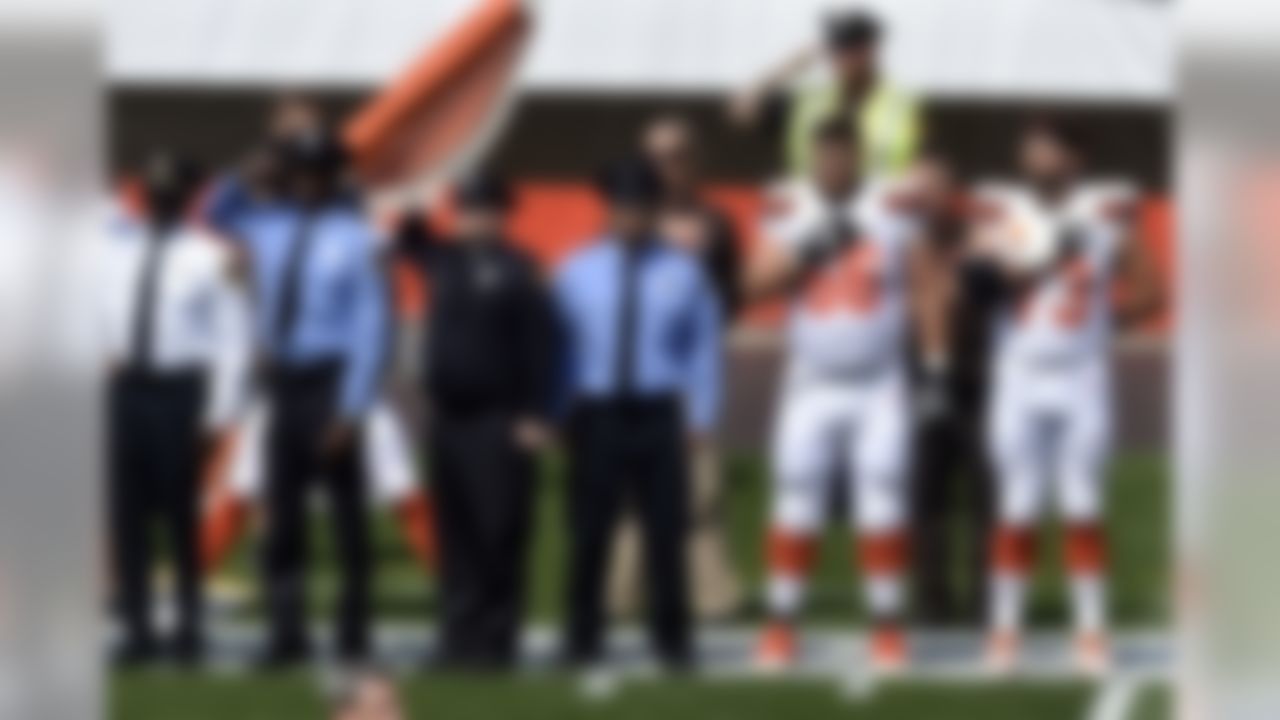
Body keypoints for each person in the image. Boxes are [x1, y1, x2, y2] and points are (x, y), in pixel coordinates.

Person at [744, 119, 938, 673]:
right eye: (824, 153)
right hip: (811, 377)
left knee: (882, 493)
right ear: (811, 157)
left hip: (881, 378)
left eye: (843, 153)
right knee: (796, 492)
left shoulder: (895, 203)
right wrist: (808, 248)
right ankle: (782, 623)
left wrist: (937, 367)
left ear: (859, 155)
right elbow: (754, 285)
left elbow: (926, 283)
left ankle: (886, 625)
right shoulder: (787, 205)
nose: (833, 163)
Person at [972, 119, 1164, 675]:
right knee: (1018, 503)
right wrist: (1032, 257)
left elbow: (1152, 288)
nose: (1034, 155)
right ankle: (1006, 631)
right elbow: (976, 288)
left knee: (1083, 502)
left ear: (1076, 157)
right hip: (1018, 370)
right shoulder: (1000, 210)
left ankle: (1092, 631)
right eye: (1029, 145)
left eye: (1048, 146)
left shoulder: (1105, 212)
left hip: (1081, 371)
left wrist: (1107, 323)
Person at [213, 129, 390, 665]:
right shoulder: (269, 225)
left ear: (334, 179)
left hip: (331, 379)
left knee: (346, 516)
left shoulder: (358, 236)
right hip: (284, 382)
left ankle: (353, 631)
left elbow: (372, 324)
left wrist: (353, 406)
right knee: (282, 515)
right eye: (299, 173)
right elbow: (218, 212)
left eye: (317, 174)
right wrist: (254, 165)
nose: (307, 183)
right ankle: (286, 632)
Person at [555, 157, 723, 670]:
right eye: (621, 209)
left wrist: (703, 416)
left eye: (639, 209)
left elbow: (704, 348)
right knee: (589, 531)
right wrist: (557, 412)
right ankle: (583, 636)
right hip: (596, 411)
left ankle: (672, 640)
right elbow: (560, 348)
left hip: (656, 411)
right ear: (608, 212)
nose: (629, 218)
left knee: (666, 531)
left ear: (653, 212)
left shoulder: (684, 270)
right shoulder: (575, 270)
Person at [395, 172, 556, 670]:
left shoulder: (520, 269)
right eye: (466, 209)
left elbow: (543, 348)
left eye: (484, 210)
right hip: (449, 418)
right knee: (456, 533)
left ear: (502, 216)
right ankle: (458, 637)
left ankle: (496, 639)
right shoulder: (442, 258)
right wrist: (417, 189)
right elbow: (406, 236)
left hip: (499, 418)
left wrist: (535, 413)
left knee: (498, 530)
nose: (474, 219)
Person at [99, 151, 251, 666]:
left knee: (182, 516)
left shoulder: (211, 255)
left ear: (187, 198)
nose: (160, 201)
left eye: (170, 193)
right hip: (125, 389)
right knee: (127, 515)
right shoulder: (116, 251)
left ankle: (188, 625)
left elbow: (232, 342)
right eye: (154, 192)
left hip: (178, 391)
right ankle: (136, 627)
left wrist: (218, 416)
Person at [607, 115, 743, 622]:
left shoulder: (715, 222)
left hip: (690, 375)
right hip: (630, 374)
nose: (666, 167)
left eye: (677, 155)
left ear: (695, 162)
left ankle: (713, 595)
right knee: (627, 495)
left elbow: (731, 295)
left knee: (701, 491)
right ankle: (621, 594)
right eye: (655, 156)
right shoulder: (623, 218)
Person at [905, 153, 997, 624]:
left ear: (954, 192)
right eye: (918, 189)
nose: (927, 199)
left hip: (979, 376)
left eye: (935, 188)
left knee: (987, 489)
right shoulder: (898, 243)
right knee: (924, 492)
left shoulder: (981, 240)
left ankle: (987, 599)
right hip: (919, 375)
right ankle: (931, 600)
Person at [729, 8, 921, 180]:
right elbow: (741, 112)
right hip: (812, 205)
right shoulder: (811, 101)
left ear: (869, 50)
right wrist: (785, 69)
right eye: (834, 47)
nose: (838, 57)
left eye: (847, 46)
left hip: (877, 208)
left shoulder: (901, 104)